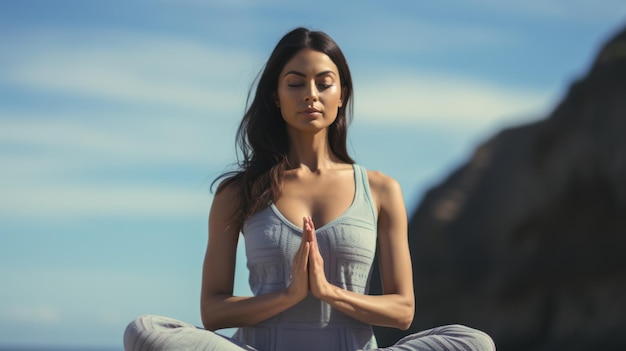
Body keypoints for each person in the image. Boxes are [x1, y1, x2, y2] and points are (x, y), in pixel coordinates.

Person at [124, 27, 496, 351]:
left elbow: (402, 311)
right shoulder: (238, 192)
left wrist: (327, 291)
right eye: (295, 82)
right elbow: (213, 311)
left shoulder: (380, 189)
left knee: (474, 343)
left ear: (342, 94)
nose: (310, 94)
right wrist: (289, 295)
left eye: (324, 82)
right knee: (145, 332)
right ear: (276, 95)